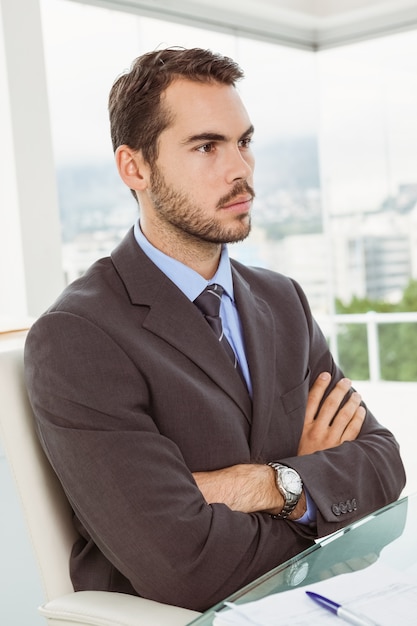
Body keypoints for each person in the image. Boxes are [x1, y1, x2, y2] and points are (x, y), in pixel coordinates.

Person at [24, 47, 406, 613]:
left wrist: (268, 485)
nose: (240, 169)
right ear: (135, 168)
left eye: (244, 142)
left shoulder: (282, 300)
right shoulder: (78, 336)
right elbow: (188, 569)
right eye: (206, 146)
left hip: (308, 603)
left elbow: (383, 465)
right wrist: (316, 496)